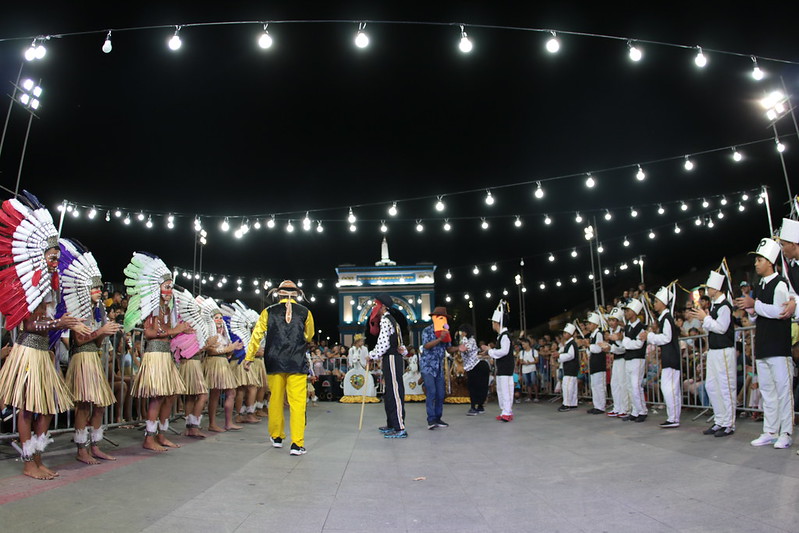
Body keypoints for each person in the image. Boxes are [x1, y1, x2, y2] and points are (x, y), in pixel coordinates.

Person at [0, 192, 87, 479]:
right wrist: (58, 323)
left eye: (57, 257)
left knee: (48, 407)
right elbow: (28, 325)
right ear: (41, 256)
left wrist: (63, 322)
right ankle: (28, 462)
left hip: (43, 353)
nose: (55, 261)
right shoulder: (31, 284)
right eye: (52, 257)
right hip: (28, 351)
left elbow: (47, 321)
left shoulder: (51, 285)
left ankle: (37, 456)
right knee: (27, 408)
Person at [58, 239, 123, 463]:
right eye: (94, 288)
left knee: (101, 404)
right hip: (81, 360)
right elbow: (78, 339)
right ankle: (81, 449)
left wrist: (104, 333)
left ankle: (95, 445)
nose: (98, 291)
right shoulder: (77, 309)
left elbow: (95, 343)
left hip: (92, 358)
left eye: (99, 288)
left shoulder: (98, 311)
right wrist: (101, 331)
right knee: (84, 405)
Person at [125, 252, 190, 452]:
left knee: (170, 395)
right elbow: (149, 333)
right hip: (155, 354)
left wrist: (181, 331)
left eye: (171, 287)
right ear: (158, 288)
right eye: (167, 287)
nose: (170, 291)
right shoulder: (152, 308)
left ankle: (161, 434)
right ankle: (149, 437)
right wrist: (175, 330)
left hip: (165, 355)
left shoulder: (167, 309)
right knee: (157, 396)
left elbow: (167, 331)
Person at [735, 238, 794, 449]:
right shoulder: (760, 285)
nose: (756, 264)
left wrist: (755, 304)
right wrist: (751, 310)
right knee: (767, 391)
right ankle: (770, 430)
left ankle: (786, 432)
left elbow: (781, 312)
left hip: (778, 346)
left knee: (783, 391)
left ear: (770, 262)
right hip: (763, 345)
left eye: (759, 260)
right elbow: (758, 315)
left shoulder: (780, 284)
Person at [244, 280, 315, 455]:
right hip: (296, 361)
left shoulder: (268, 311)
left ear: (279, 294)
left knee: (275, 399)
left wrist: (249, 357)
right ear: (296, 295)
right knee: (297, 403)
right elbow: (309, 335)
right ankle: (297, 444)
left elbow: (257, 335)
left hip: (274, 360)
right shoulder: (305, 312)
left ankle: (276, 437)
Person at [687, 271, 736, 437]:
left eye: (709, 287)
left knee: (725, 387)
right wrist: (704, 319)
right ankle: (720, 420)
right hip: (714, 351)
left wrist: (706, 319)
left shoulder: (725, 306)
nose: (708, 290)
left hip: (724, 351)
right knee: (712, 386)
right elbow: (711, 327)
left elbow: (721, 328)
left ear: (717, 288)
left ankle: (729, 423)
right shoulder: (715, 306)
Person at [367, 293, 409, 438]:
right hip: (391, 357)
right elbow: (399, 342)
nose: (374, 307)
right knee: (389, 391)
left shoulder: (386, 320)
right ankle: (392, 424)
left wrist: (371, 355)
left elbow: (383, 344)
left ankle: (399, 427)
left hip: (391, 357)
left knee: (395, 391)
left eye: (376, 305)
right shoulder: (392, 320)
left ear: (383, 306)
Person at [644, 287, 682, 428]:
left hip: (671, 358)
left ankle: (673, 418)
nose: (654, 304)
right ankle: (673, 416)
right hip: (669, 358)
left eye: (656, 301)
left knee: (669, 388)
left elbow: (666, 338)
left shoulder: (666, 318)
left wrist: (649, 336)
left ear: (663, 303)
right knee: (670, 388)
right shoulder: (665, 318)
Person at [420, 306, 453, 429]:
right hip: (427, 366)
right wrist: (440, 338)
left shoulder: (446, 332)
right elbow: (426, 346)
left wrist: (459, 348)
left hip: (439, 366)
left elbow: (449, 348)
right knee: (432, 392)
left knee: (440, 393)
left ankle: (438, 418)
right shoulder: (427, 330)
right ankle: (431, 419)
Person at [482, 300, 514, 421]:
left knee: (505, 390)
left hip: (505, 367)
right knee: (501, 389)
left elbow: (504, 351)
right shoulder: (502, 336)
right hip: (502, 367)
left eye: (493, 322)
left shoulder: (505, 336)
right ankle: (504, 411)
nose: (492, 324)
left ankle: (507, 412)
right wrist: (489, 351)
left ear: (497, 323)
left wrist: (490, 351)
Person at [621, 299, 647, 422]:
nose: (626, 313)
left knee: (636, 386)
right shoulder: (627, 327)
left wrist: (626, 342)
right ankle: (635, 410)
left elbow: (638, 344)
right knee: (630, 387)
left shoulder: (641, 327)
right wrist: (627, 343)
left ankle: (642, 411)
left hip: (638, 358)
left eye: (628, 310)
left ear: (634, 312)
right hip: (629, 359)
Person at [601, 307, 628, 417]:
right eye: (610, 320)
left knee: (622, 384)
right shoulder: (613, 331)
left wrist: (610, 348)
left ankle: (625, 408)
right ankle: (617, 407)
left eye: (613, 320)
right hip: (616, 360)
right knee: (615, 384)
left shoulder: (622, 331)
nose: (611, 323)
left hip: (623, 359)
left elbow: (623, 348)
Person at [583, 312, 607, 414]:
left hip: (599, 363)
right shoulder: (593, 335)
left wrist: (588, 345)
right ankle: (596, 405)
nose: (588, 326)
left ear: (595, 324)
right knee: (594, 385)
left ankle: (601, 406)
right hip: (594, 362)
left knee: (599, 385)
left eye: (589, 323)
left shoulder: (599, 334)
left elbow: (598, 349)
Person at [557, 323, 579, 412]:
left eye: (566, 333)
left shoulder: (571, 344)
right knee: (572, 386)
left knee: (567, 386)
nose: (564, 334)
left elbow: (570, 355)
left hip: (570, 368)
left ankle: (567, 404)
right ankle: (573, 403)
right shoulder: (569, 343)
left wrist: (559, 356)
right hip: (571, 368)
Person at [518, 337, 539, 403]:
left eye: (523, 344)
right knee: (527, 384)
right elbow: (520, 361)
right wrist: (523, 362)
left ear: (527, 343)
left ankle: (536, 397)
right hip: (525, 370)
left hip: (532, 369)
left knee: (534, 382)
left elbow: (536, 360)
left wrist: (530, 363)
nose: (523, 346)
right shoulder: (522, 352)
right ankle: (529, 396)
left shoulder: (534, 351)